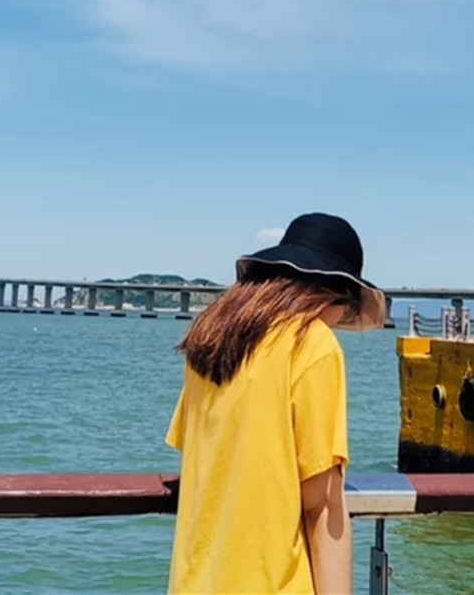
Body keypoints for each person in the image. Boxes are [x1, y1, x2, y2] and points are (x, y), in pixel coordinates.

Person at [165, 213, 386, 595]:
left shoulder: (210, 339)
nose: (340, 320)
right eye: (347, 307)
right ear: (332, 294)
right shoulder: (313, 344)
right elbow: (321, 507)